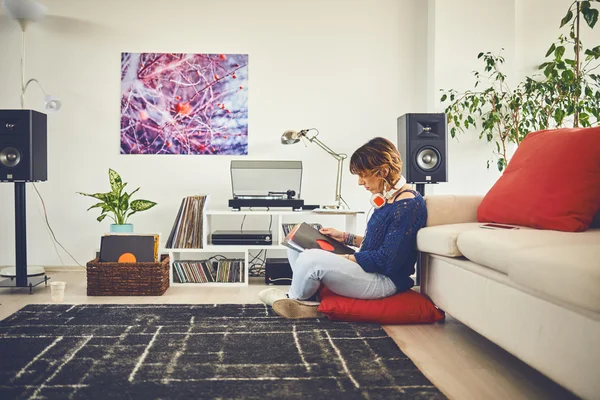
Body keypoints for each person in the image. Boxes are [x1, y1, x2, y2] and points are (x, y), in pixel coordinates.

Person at [259, 137, 428, 318]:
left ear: (383, 171)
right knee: (296, 246)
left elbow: (387, 260)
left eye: (363, 175)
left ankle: (294, 300)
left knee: (310, 258)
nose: (360, 182)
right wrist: (345, 237)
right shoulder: (390, 198)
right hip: (368, 269)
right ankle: (308, 297)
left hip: (383, 280)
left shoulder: (407, 206)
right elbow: (383, 243)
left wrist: (344, 257)